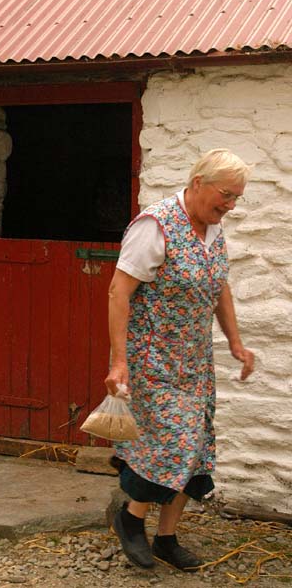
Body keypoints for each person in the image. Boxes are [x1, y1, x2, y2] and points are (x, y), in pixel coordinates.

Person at [105, 149, 255, 571]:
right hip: (151, 361)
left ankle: (166, 538)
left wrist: (235, 343)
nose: (229, 205)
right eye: (226, 195)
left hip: (195, 362)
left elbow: (219, 286)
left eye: (236, 199)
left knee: (198, 448)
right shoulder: (156, 226)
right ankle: (130, 519)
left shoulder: (212, 229)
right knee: (172, 443)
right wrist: (120, 363)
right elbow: (119, 293)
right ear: (197, 183)